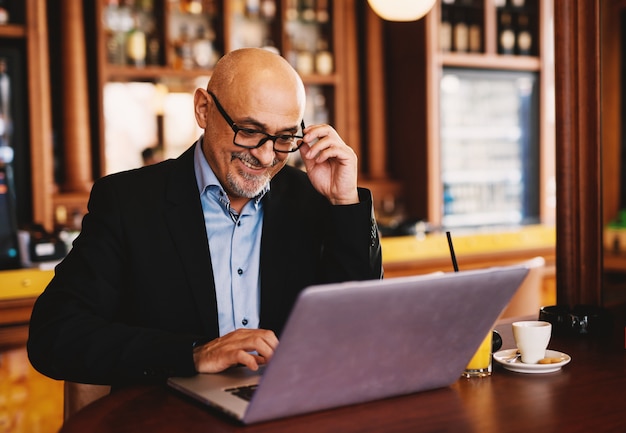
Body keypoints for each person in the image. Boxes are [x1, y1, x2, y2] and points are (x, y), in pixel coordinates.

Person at [27, 48, 382, 387]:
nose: (265, 155)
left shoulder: (315, 198)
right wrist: (194, 354)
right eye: (249, 131)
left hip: (287, 411)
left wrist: (344, 201)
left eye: (285, 137)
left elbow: (363, 327)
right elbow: (54, 334)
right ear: (203, 109)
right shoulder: (128, 202)